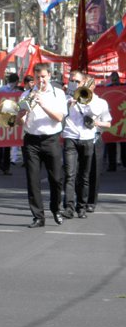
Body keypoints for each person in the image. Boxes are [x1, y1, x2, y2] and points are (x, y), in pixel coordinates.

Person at [16, 63, 68, 228]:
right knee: (32, 180)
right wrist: (22, 114)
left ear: (49, 76)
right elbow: (19, 122)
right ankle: (38, 216)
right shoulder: (26, 94)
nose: (40, 80)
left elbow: (59, 117)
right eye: (38, 77)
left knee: (56, 178)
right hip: (31, 140)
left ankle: (56, 208)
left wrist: (42, 104)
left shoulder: (58, 94)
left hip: (51, 139)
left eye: (43, 77)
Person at [61, 72, 111, 219]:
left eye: (76, 81)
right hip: (70, 137)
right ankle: (68, 207)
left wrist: (84, 100)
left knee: (84, 176)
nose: (73, 83)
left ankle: (81, 207)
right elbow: (59, 115)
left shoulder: (96, 101)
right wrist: (68, 102)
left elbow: (96, 116)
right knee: (70, 175)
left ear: (84, 82)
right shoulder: (65, 98)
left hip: (88, 138)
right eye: (71, 81)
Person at [86, 77, 112, 212]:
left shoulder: (101, 102)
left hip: (95, 139)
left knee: (94, 172)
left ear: (93, 86)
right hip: (78, 139)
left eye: (88, 84)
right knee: (77, 172)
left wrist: (96, 123)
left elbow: (108, 123)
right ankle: (79, 200)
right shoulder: (75, 101)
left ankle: (91, 201)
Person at [0, 73, 23, 175]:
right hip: (1, 119)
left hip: (10, 119)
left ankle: (5, 167)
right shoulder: (2, 90)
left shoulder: (17, 91)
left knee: (7, 144)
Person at [104, 71, 125, 171]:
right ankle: (112, 165)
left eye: (116, 77)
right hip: (111, 118)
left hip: (122, 119)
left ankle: (124, 163)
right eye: (113, 78)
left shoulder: (123, 87)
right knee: (110, 144)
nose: (115, 79)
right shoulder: (107, 87)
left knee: (124, 143)